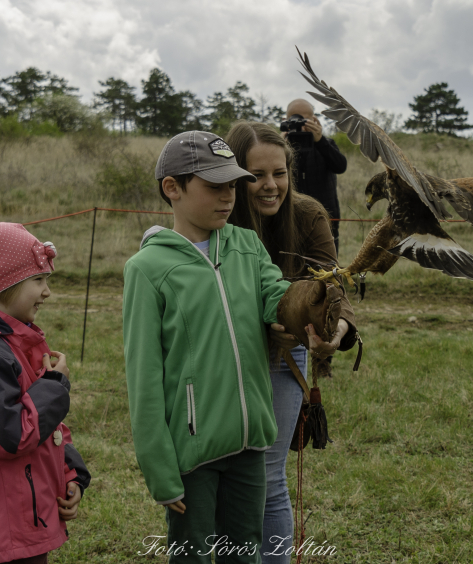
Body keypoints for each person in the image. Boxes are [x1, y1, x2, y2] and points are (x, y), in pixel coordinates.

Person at [123, 130, 332, 563]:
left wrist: (312, 306)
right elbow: (143, 378)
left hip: (250, 445)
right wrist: (161, 470)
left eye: (233, 185)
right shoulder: (148, 269)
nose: (229, 197)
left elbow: (277, 295)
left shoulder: (246, 245)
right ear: (172, 188)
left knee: (246, 554)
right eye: (214, 186)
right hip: (192, 454)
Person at [225, 121, 357, 564]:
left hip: (287, 359)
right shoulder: (218, 216)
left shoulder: (309, 215)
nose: (269, 185)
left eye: (279, 173)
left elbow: (333, 287)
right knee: (224, 470)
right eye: (256, 175)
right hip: (225, 353)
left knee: (266, 473)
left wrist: (335, 334)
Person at [0, 223, 91, 564]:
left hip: (28, 516)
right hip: (8, 526)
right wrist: (54, 386)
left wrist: (72, 474)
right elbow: (11, 435)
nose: (47, 292)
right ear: (5, 285)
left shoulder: (18, 342)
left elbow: (47, 429)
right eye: (38, 280)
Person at [283, 99, 348, 254]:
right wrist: (280, 143)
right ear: (286, 121)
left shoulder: (326, 144)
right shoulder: (282, 146)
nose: (301, 125)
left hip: (326, 216)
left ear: (314, 120)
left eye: (305, 120)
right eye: (295, 119)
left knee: (327, 264)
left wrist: (320, 141)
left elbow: (340, 166)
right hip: (290, 217)